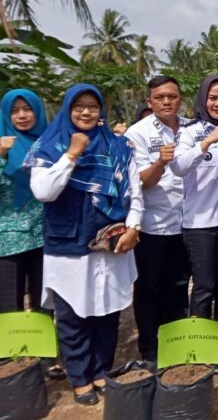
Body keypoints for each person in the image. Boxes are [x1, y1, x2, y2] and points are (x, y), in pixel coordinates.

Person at [28, 84, 142, 405]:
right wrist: (71, 154)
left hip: (110, 241)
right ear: (68, 109)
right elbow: (44, 191)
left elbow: (134, 190)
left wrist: (134, 227)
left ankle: (101, 371)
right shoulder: (49, 146)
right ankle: (79, 377)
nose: (87, 112)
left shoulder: (118, 146)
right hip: (68, 245)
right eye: (79, 106)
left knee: (107, 310)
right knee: (72, 312)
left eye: (93, 106)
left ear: (101, 111)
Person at [171, 75, 218, 355]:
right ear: (203, 99)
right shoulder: (190, 132)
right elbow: (178, 167)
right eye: (213, 98)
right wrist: (206, 143)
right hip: (199, 222)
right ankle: (201, 342)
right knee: (205, 285)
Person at [124, 76, 191, 362]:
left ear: (180, 99)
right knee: (149, 288)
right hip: (152, 225)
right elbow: (140, 182)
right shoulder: (137, 133)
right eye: (160, 97)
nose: (166, 102)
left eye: (172, 97)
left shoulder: (192, 128)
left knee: (178, 287)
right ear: (149, 101)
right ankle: (150, 349)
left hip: (186, 222)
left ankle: (175, 346)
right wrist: (161, 163)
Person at [0, 89, 48, 314]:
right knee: (9, 306)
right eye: (15, 110)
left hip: (44, 236)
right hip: (8, 241)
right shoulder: (1, 144)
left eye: (28, 108)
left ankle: (44, 349)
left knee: (45, 303)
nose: (22, 115)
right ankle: (12, 350)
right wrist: (0, 157)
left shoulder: (50, 142)